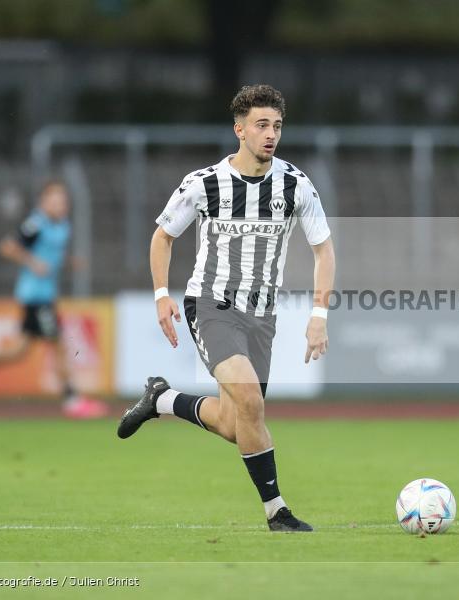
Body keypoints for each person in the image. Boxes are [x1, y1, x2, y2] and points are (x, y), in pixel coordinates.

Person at [117, 84, 335, 532]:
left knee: (238, 422)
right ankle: (278, 512)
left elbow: (324, 251)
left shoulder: (296, 185)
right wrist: (162, 296)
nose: (270, 134)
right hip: (212, 306)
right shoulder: (204, 184)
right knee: (251, 400)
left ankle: (162, 399)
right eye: (261, 125)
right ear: (239, 129)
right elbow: (163, 236)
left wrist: (319, 316)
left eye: (276, 126)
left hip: (263, 317)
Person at [0, 181, 108, 419]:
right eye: (55, 200)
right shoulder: (35, 224)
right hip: (35, 296)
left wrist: (70, 262)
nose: (60, 205)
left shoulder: (63, 226)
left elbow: (52, 254)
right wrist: (32, 262)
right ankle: (72, 400)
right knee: (59, 344)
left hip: (44, 296)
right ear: (43, 202)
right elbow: (7, 247)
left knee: (19, 350)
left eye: (63, 201)